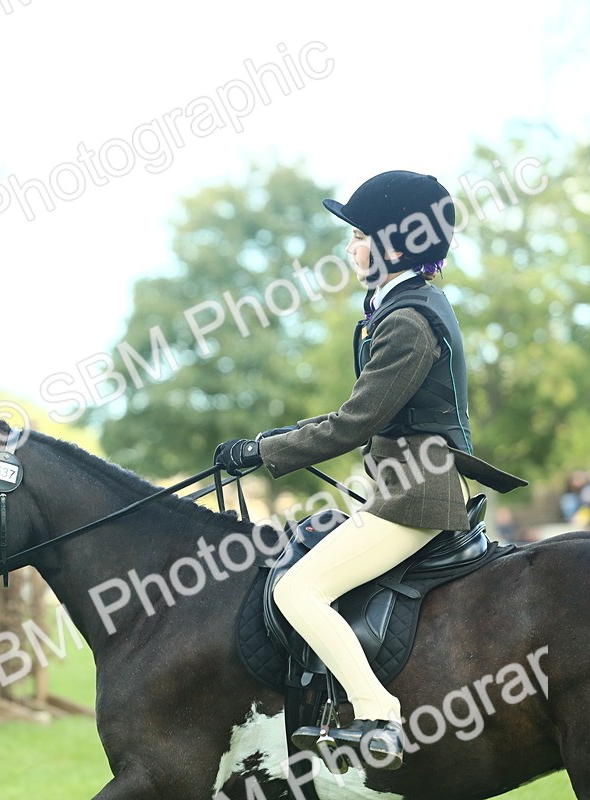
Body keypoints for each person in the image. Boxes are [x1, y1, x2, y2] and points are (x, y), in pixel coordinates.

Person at [213, 170, 526, 769]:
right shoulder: (402, 307)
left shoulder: (407, 322)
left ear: (397, 245)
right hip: (403, 485)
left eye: (358, 235)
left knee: (297, 588)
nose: (350, 247)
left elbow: (354, 422)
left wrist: (262, 450)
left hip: (414, 497)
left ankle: (377, 715)